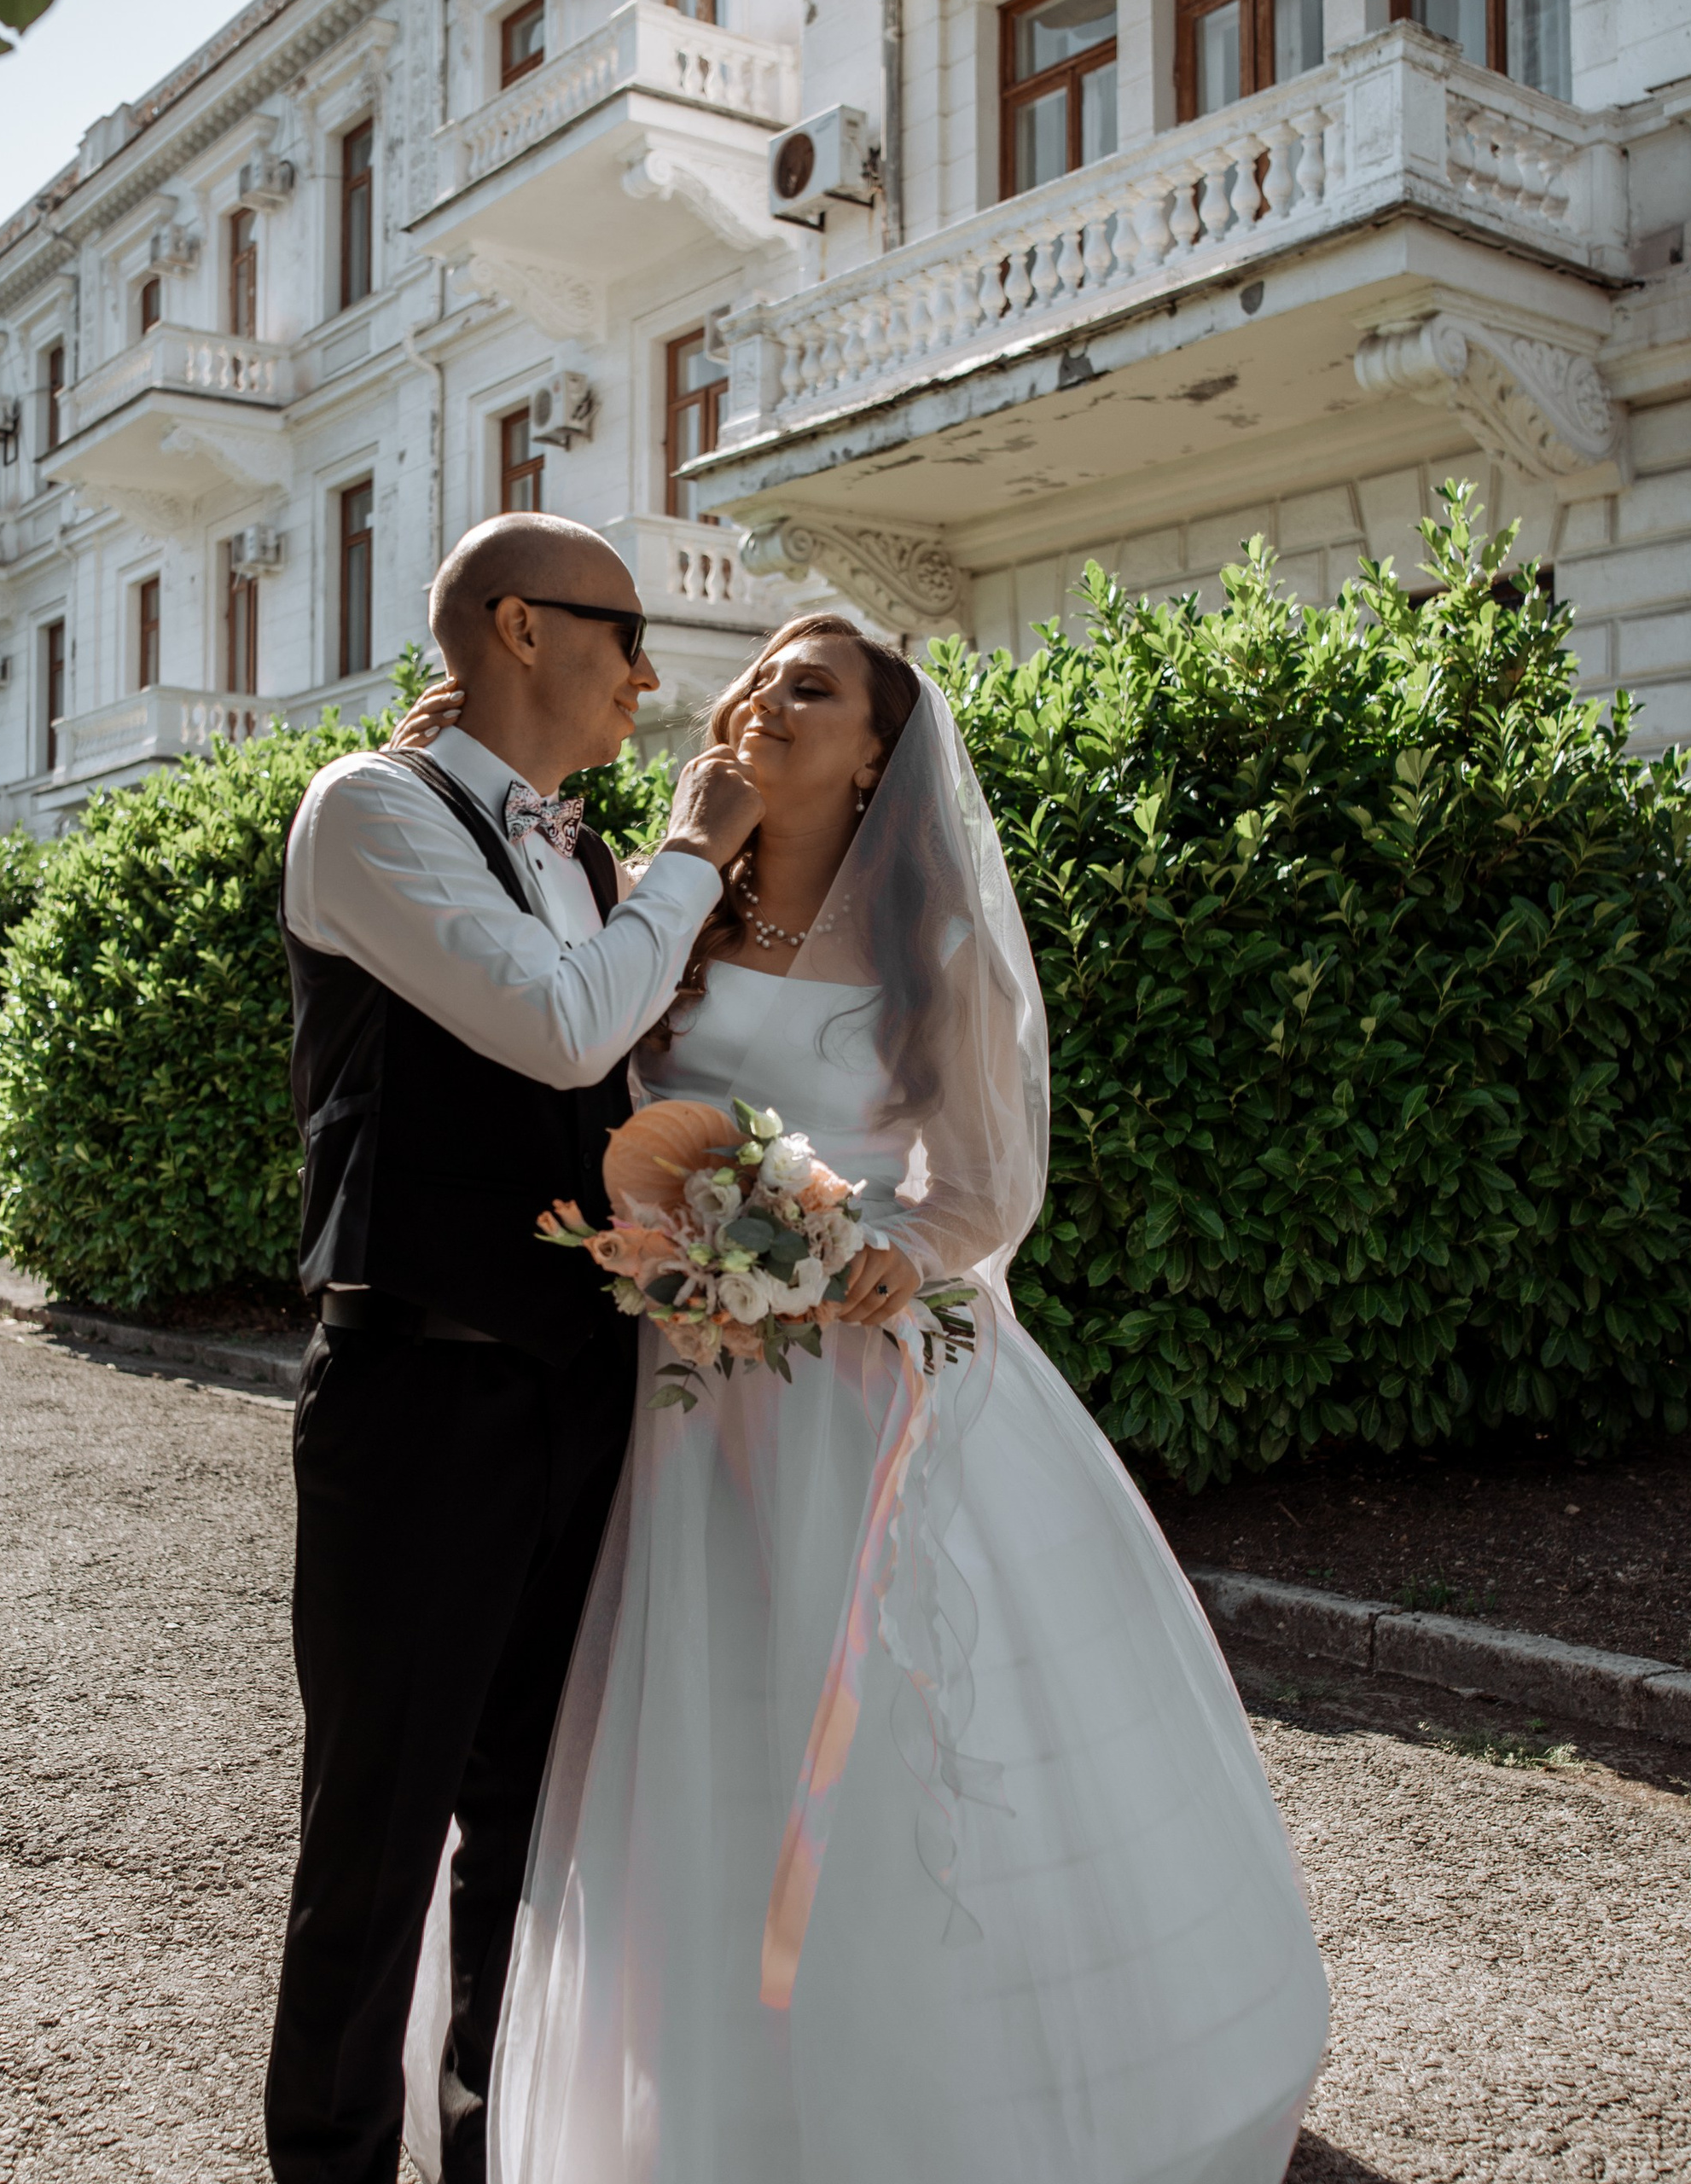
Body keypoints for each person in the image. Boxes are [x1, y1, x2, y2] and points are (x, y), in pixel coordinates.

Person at [390, 615, 1329, 2183]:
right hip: (672, 1394)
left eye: (810, 686)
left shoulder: (928, 950)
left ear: (879, 751)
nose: (765, 695)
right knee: (675, 1733)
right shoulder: (661, 905)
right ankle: (690, 2104)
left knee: (878, 1733)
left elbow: (982, 1187)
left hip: (859, 1383)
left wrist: (887, 1252)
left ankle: (930, 2095)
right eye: (759, 675)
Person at [264, 513, 764, 2184]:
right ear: (519, 627)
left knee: (533, 1833)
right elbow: (559, 1023)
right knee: (376, 1837)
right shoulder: (366, 811)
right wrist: (692, 856)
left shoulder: (580, 855)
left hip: (581, 1387)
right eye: (622, 628)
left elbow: (610, 1073)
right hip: (418, 1395)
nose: (647, 670)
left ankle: (492, 2150)